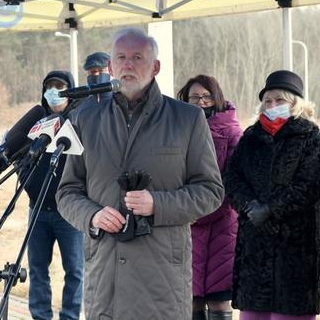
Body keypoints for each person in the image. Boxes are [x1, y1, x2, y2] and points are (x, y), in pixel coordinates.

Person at [56, 28, 224, 320]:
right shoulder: (85, 119)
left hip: (161, 283)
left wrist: (158, 204)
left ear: (156, 66)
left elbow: (210, 191)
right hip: (105, 281)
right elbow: (67, 191)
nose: (128, 65)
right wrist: (92, 216)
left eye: (138, 57)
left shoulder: (187, 119)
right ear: (110, 67)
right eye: (121, 58)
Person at [224, 70, 320, 320]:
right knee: (253, 314)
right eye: (268, 101)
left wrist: (270, 209)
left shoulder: (312, 138)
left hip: (293, 248)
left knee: (289, 313)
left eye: (280, 100)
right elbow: (232, 176)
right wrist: (248, 205)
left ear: (295, 104)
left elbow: (308, 187)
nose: (272, 106)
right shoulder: (251, 137)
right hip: (254, 247)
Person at [18, 71, 83, 320]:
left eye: (60, 87)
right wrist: (29, 184)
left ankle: (70, 316)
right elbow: (21, 158)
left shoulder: (79, 124)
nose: (54, 92)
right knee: (37, 270)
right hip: (38, 210)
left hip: (70, 214)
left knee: (75, 270)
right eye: (49, 87)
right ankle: (40, 315)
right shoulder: (35, 125)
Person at [176, 75, 242, 320]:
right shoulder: (177, 131)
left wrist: (198, 212)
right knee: (190, 302)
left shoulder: (233, 133)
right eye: (195, 97)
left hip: (222, 228)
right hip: (187, 225)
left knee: (219, 303)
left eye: (206, 96)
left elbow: (232, 182)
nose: (201, 102)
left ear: (217, 98)